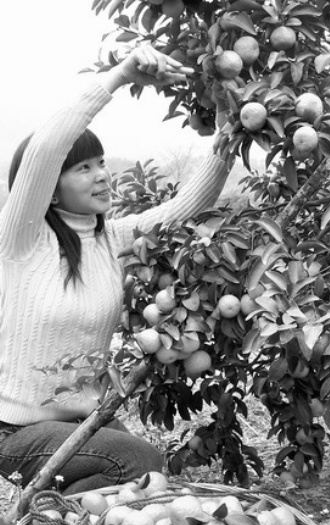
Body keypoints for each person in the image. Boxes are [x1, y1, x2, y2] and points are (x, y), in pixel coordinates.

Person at [0, 43, 233, 495]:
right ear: (50, 188)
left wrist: (228, 127)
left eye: (102, 163)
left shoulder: (112, 239)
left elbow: (189, 205)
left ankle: (52, 520)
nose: (102, 175)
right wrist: (120, 77)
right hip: (14, 430)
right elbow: (46, 149)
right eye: (83, 168)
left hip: (81, 420)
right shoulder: (21, 239)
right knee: (138, 462)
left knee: (151, 484)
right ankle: (46, 521)